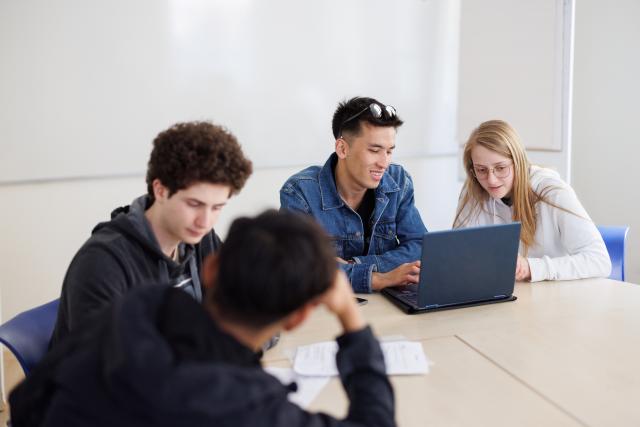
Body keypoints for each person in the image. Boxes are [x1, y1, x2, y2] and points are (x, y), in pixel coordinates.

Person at [9, 210, 395, 427]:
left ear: (210, 270)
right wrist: (349, 315)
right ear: (296, 319)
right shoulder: (250, 409)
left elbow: (26, 401)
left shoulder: (138, 307)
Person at [50, 121, 253, 346]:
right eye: (194, 204)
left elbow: (246, 314)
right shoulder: (103, 262)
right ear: (160, 190)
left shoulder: (202, 239)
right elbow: (109, 368)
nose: (205, 221)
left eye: (217, 208)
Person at [280, 96, 427, 293]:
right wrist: (377, 279)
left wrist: (353, 264)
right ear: (342, 148)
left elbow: (421, 246)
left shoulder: (398, 181)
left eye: (389, 151)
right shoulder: (300, 192)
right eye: (374, 150)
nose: (384, 163)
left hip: (391, 305)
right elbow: (296, 266)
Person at [453, 119, 611, 282]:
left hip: (556, 297)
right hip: (509, 296)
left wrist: (530, 268)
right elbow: (458, 254)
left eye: (501, 168)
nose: (491, 180)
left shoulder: (552, 192)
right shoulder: (474, 189)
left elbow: (599, 261)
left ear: (518, 163)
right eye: (481, 170)